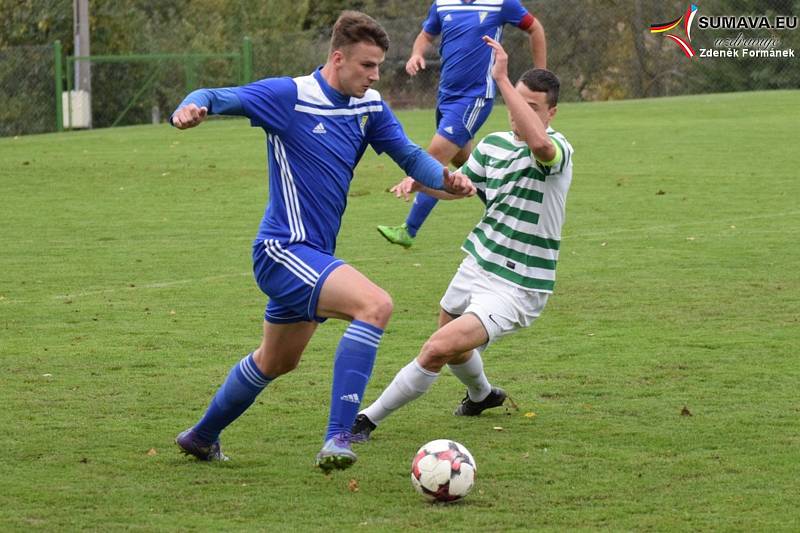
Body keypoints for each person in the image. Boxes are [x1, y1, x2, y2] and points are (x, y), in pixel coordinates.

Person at [170, 11, 475, 472]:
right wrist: (190, 109)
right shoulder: (289, 96)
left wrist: (446, 179)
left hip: (313, 257)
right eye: (366, 66)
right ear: (337, 58)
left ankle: (200, 437)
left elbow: (411, 157)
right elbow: (213, 95)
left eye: (378, 67)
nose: (375, 77)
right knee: (375, 306)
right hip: (282, 250)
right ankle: (337, 437)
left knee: (276, 360)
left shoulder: (368, 108)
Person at [351, 36, 573, 439]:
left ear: (551, 113)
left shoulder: (557, 149)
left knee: (437, 348)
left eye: (531, 107)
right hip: (478, 262)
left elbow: (539, 143)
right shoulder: (494, 146)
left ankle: (365, 421)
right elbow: (458, 188)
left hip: (517, 285)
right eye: (517, 104)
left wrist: (502, 81)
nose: (518, 114)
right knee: (454, 346)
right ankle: (482, 395)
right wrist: (422, 183)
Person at [376, 0, 547, 248]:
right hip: (446, 97)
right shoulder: (443, 4)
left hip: (474, 97)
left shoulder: (500, 3)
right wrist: (416, 54)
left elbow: (535, 28)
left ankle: (408, 230)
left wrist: (541, 76)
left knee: (434, 159)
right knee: (466, 166)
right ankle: (511, 216)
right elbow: (425, 35)